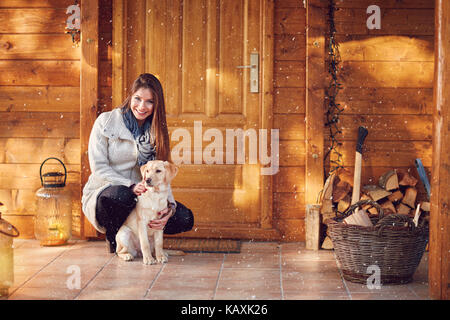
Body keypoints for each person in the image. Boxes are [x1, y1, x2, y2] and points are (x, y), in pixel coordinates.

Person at [81, 73, 194, 253]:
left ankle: (137, 239)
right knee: (121, 195)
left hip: (144, 198)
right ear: (130, 96)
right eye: (138, 99)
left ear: (156, 104)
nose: (142, 106)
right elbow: (99, 167)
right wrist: (130, 185)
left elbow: (162, 176)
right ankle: (115, 236)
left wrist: (169, 208)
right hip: (108, 192)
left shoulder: (157, 132)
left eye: (149, 101)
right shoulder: (106, 122)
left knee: (185, 217)